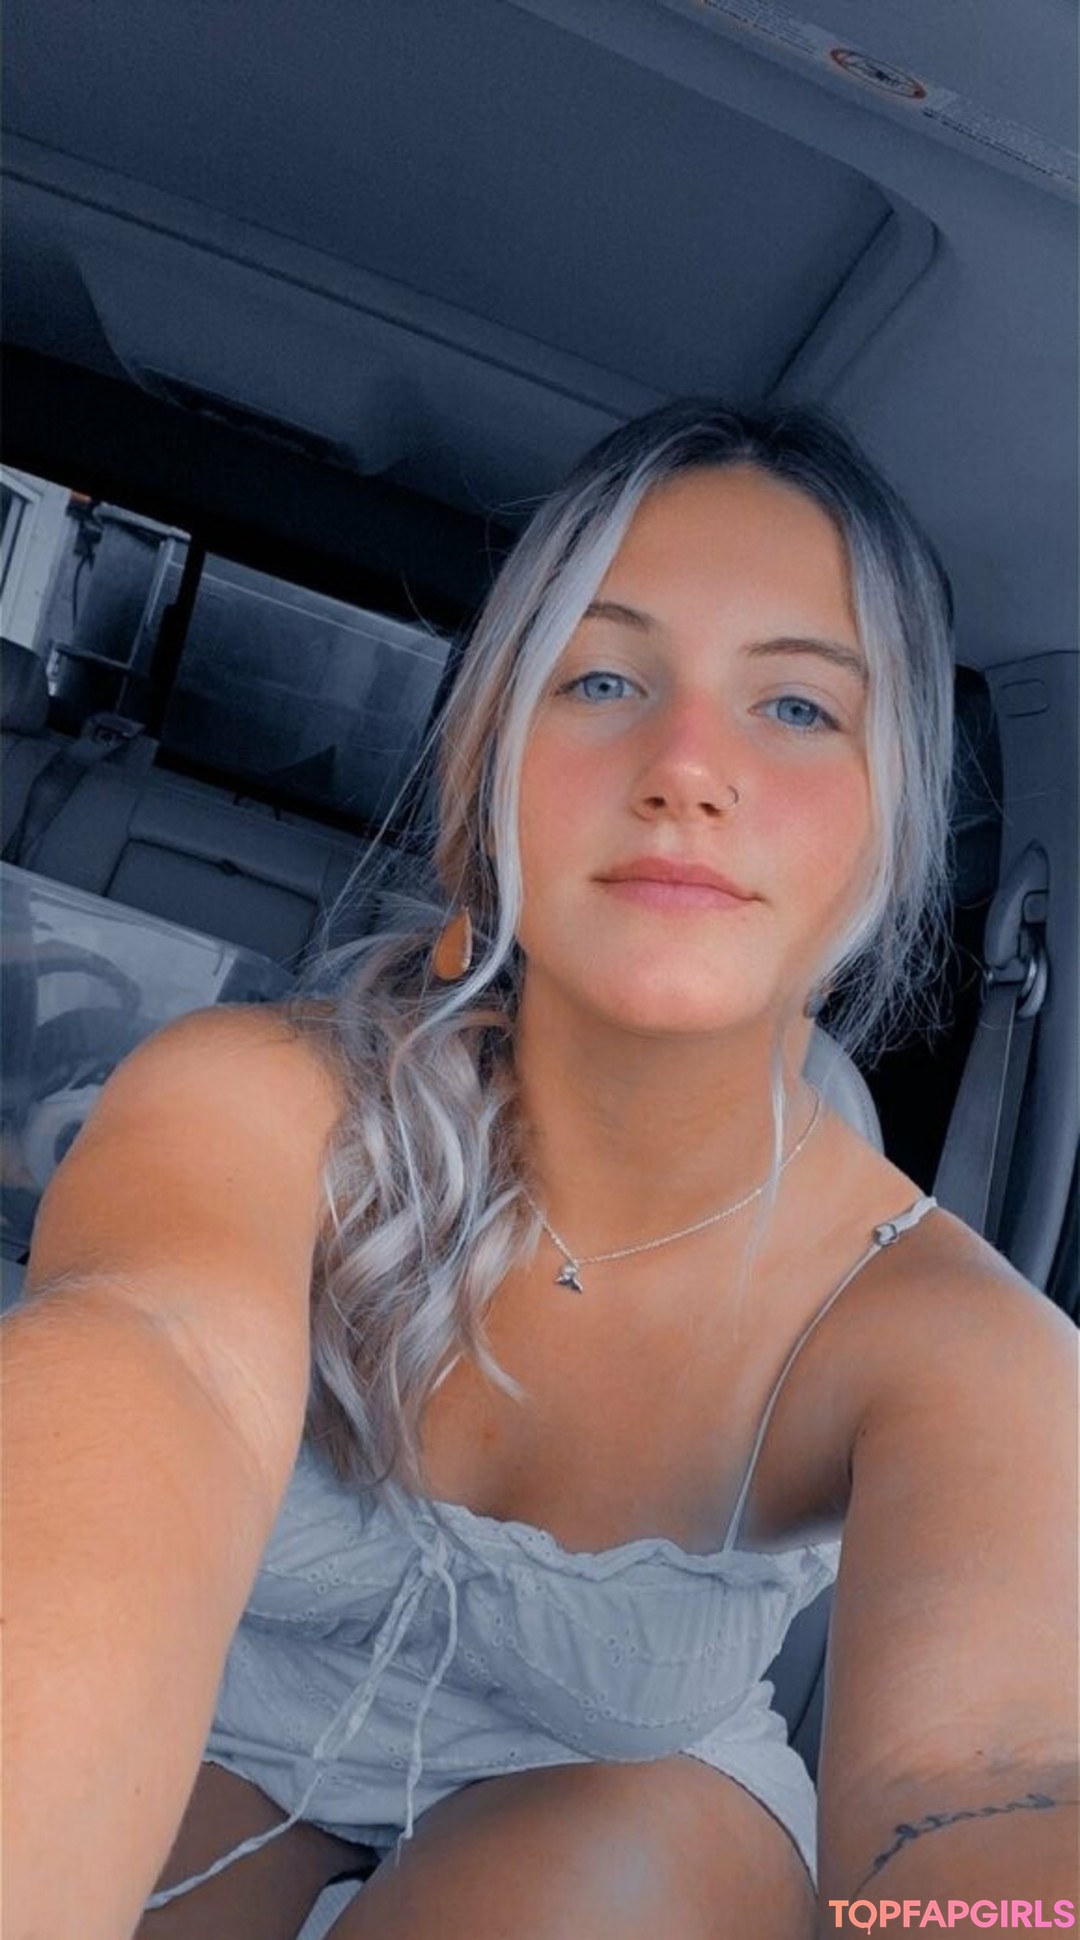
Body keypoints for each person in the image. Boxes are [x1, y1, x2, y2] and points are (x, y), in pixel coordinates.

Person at [5, 402, 1076, 1940]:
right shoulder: (250, 1101)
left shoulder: (959, 1341)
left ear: (890, 828)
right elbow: (139, 1372)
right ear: (493, 763)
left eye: (796, 707)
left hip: (634, 1801)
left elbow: (978, 1788)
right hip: (222, 1721)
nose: (686, 766)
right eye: (605, 678)